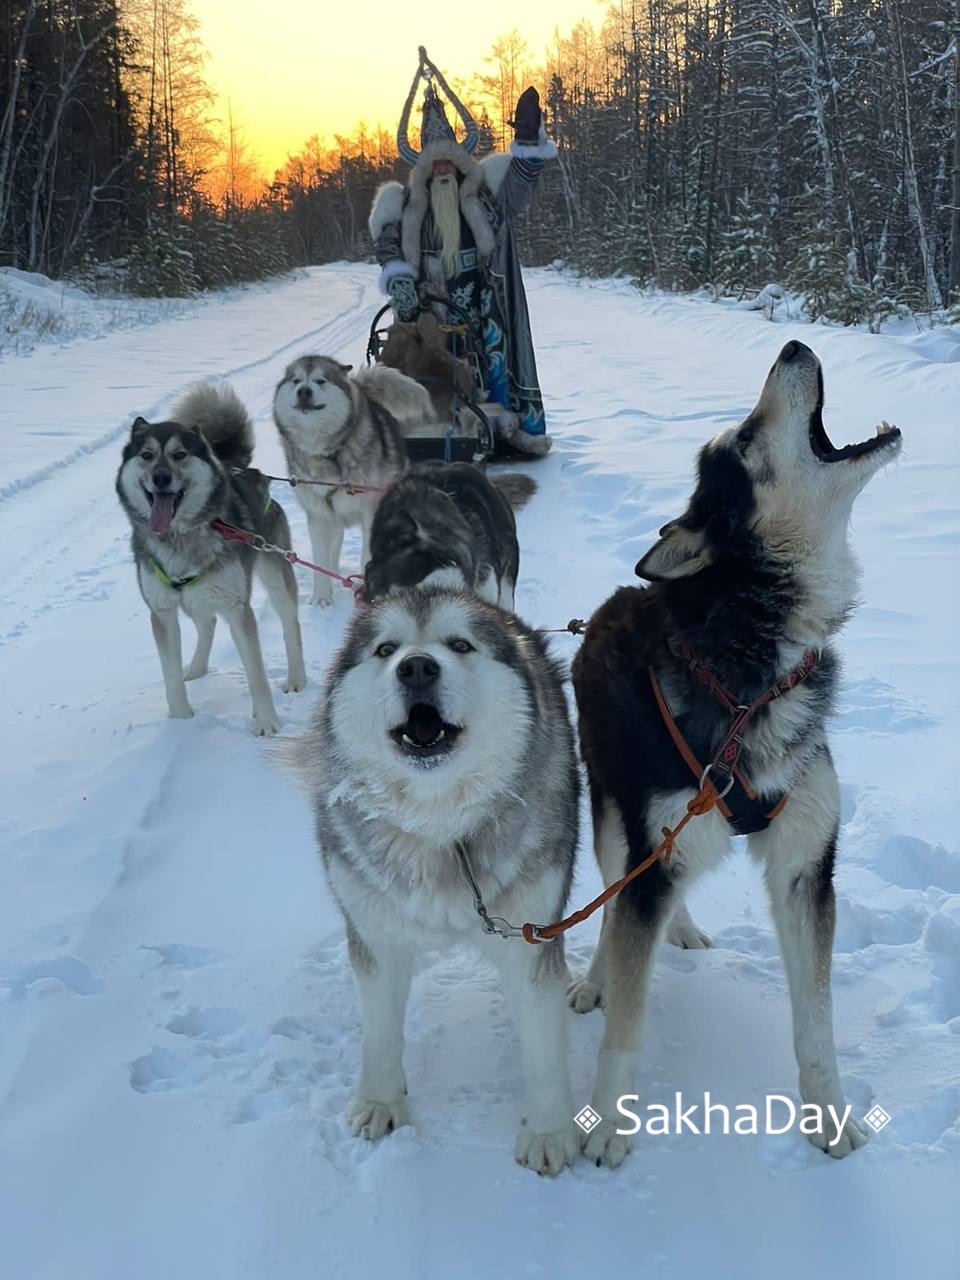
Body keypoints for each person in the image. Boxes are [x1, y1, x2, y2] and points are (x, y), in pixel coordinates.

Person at [369, 47, 558, 457]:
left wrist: (528, 140)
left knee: (490, 359)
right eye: (434, 167)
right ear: (424, 171)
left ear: (459, 167)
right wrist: (400, 277)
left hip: (479, 298)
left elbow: (521, 184)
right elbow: (386, 241)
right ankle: (422, 432)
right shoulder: (402, 204)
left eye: (447, 166)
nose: (442, 172)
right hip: (423, 302)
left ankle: (503, 428)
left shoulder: (484, 196)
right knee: (420, 362)